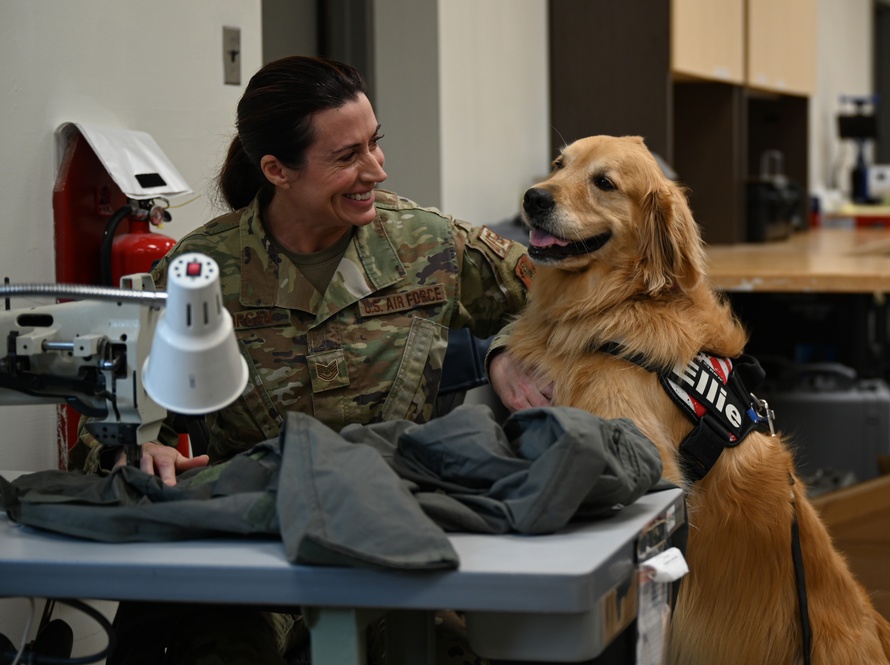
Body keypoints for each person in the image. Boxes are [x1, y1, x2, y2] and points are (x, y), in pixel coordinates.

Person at [72, 55, 546, 664]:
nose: (376, 169)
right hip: (256, 557)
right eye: (347, 157)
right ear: (277, 170)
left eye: (375, 145)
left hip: (396, 545)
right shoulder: (202, 273)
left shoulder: (429, 244)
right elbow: (107, 421)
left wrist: (508, 348)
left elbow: (558, 303)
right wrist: (135, 448)